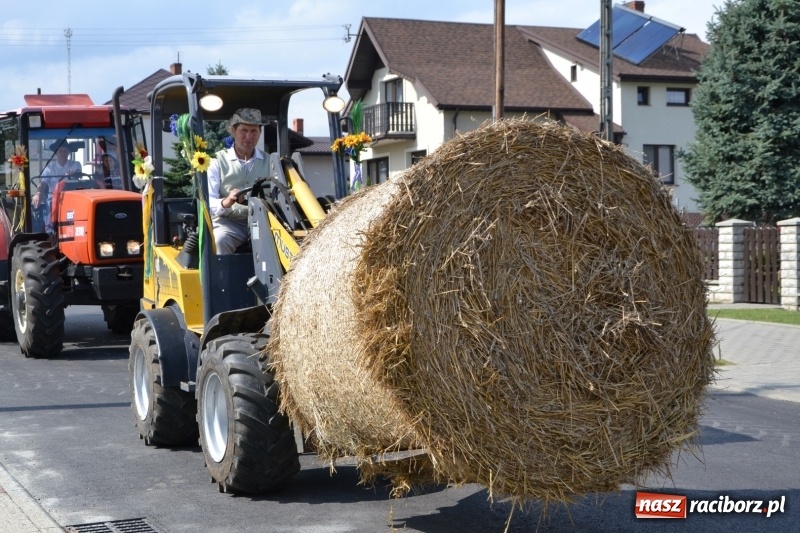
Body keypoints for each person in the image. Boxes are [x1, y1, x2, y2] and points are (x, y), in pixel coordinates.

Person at [207, 108, 271, 254]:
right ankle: (223, 277)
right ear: (233, 131)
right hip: (229, 223)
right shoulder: (216, 161)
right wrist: (226, 201)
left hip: (264, 222)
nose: (249, 136)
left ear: (260, 133)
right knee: (220, 240)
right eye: (244, 130)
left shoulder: (271, 161)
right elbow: (208, 202)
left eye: (254, 131)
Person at [32, 139, 83, 233]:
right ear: (56, 152)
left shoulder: (75, 164)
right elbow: (42, 183)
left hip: (73, 196)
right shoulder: (49, 168)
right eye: (61, 150)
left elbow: (78, 172)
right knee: (49, 202)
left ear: (69, 152)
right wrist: (38, 193)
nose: (63, 153)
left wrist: (74, 174)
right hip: (54, 196)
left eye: (65, 150)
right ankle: (49, 230)